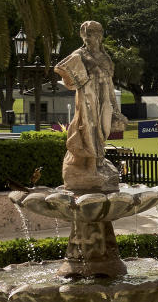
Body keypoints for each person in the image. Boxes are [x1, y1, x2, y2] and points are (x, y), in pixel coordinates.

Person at [53, 20, 128, 192]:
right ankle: (90, 165)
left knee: (102, 131)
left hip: (103, 99)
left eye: (92, 33)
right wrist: (73, 78)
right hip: (87, 98)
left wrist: (115, 109)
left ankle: (99, 162)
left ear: (100, 36)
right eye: (85, 33)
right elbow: (67, 77)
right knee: (88, 129)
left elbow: (109, 84)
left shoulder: (106, 58)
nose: (88, 36)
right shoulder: (79, 55)